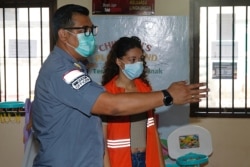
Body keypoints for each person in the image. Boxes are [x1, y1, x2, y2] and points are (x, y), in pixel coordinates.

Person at [31, 4, 209, 167]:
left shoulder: (75, 68)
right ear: (63, 34)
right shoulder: (62, 71)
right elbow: (112, 105)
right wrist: (167, 95)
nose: (91, 35)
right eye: (85, 30)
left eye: (92, 30)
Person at [101, 36, 164, 167]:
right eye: (132, 60)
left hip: (146, 158)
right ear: (119, 61)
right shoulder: (107, 93)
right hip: (120, 160)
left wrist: (161, 163)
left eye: (140, 59)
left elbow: (153, 131)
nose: (138, 64)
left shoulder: (145, 89)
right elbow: (101, 141)